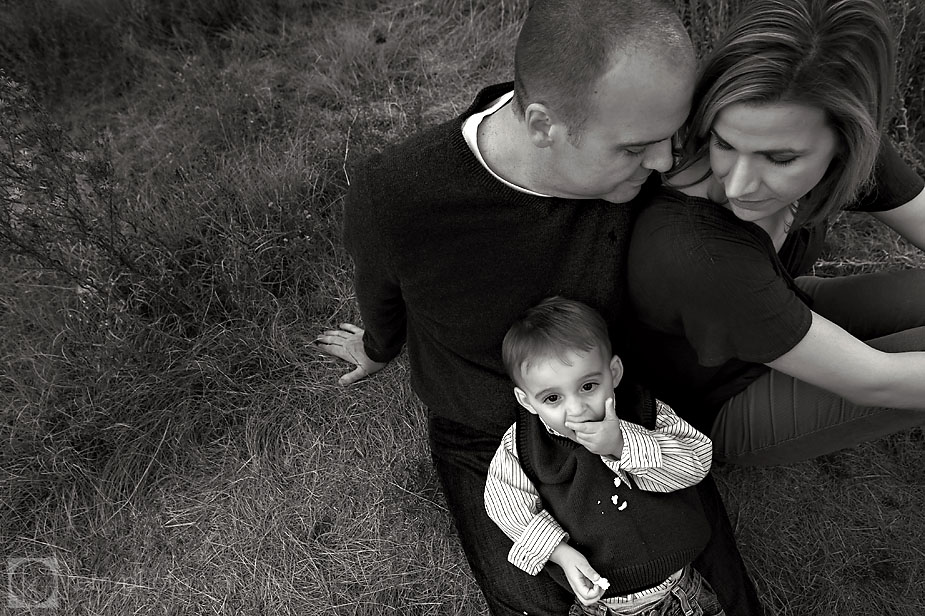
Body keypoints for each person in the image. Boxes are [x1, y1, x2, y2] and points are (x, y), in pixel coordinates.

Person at [315, 1, 765, 614]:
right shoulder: (399, 197)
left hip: (615, 402)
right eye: (637, 148)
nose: (663, 163)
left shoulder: (633, 153)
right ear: (543, 125)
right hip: (484, 430)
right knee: (534, 601)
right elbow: (383, 291)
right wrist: (376, 346)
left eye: (671, 139)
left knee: (715, 575)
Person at [627, 0, 925, 466]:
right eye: (723, 143)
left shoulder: (833, 136)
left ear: (846, 143)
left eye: (780, 159)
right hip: (718, 401)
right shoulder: (689, 248)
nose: (738, 183)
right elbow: (876, 379)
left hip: (782, 306)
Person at [485, 297, 724, 616]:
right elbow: (504, 502)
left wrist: (624, 445)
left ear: (613, 373)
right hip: (600, 603)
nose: (576, 408)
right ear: (527, 401)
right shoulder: (523, 444)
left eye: (588, 386)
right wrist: (560, 554)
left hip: (679, 592)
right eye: (553, 398)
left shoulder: (645, 413)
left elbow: (695, 463)